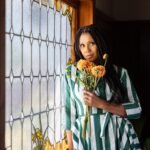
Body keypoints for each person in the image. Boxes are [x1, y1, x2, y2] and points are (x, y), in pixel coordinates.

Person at [63, 24, 142, 150]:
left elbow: (137, 110)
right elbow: (69, 113)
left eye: (92, 43)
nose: (87, 50)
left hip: (117, 135)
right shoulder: (71, 73)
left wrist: (103, 104)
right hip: (85, 139)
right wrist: (71, 145)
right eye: (82, 45)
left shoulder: (120, 73)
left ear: (100, 43)